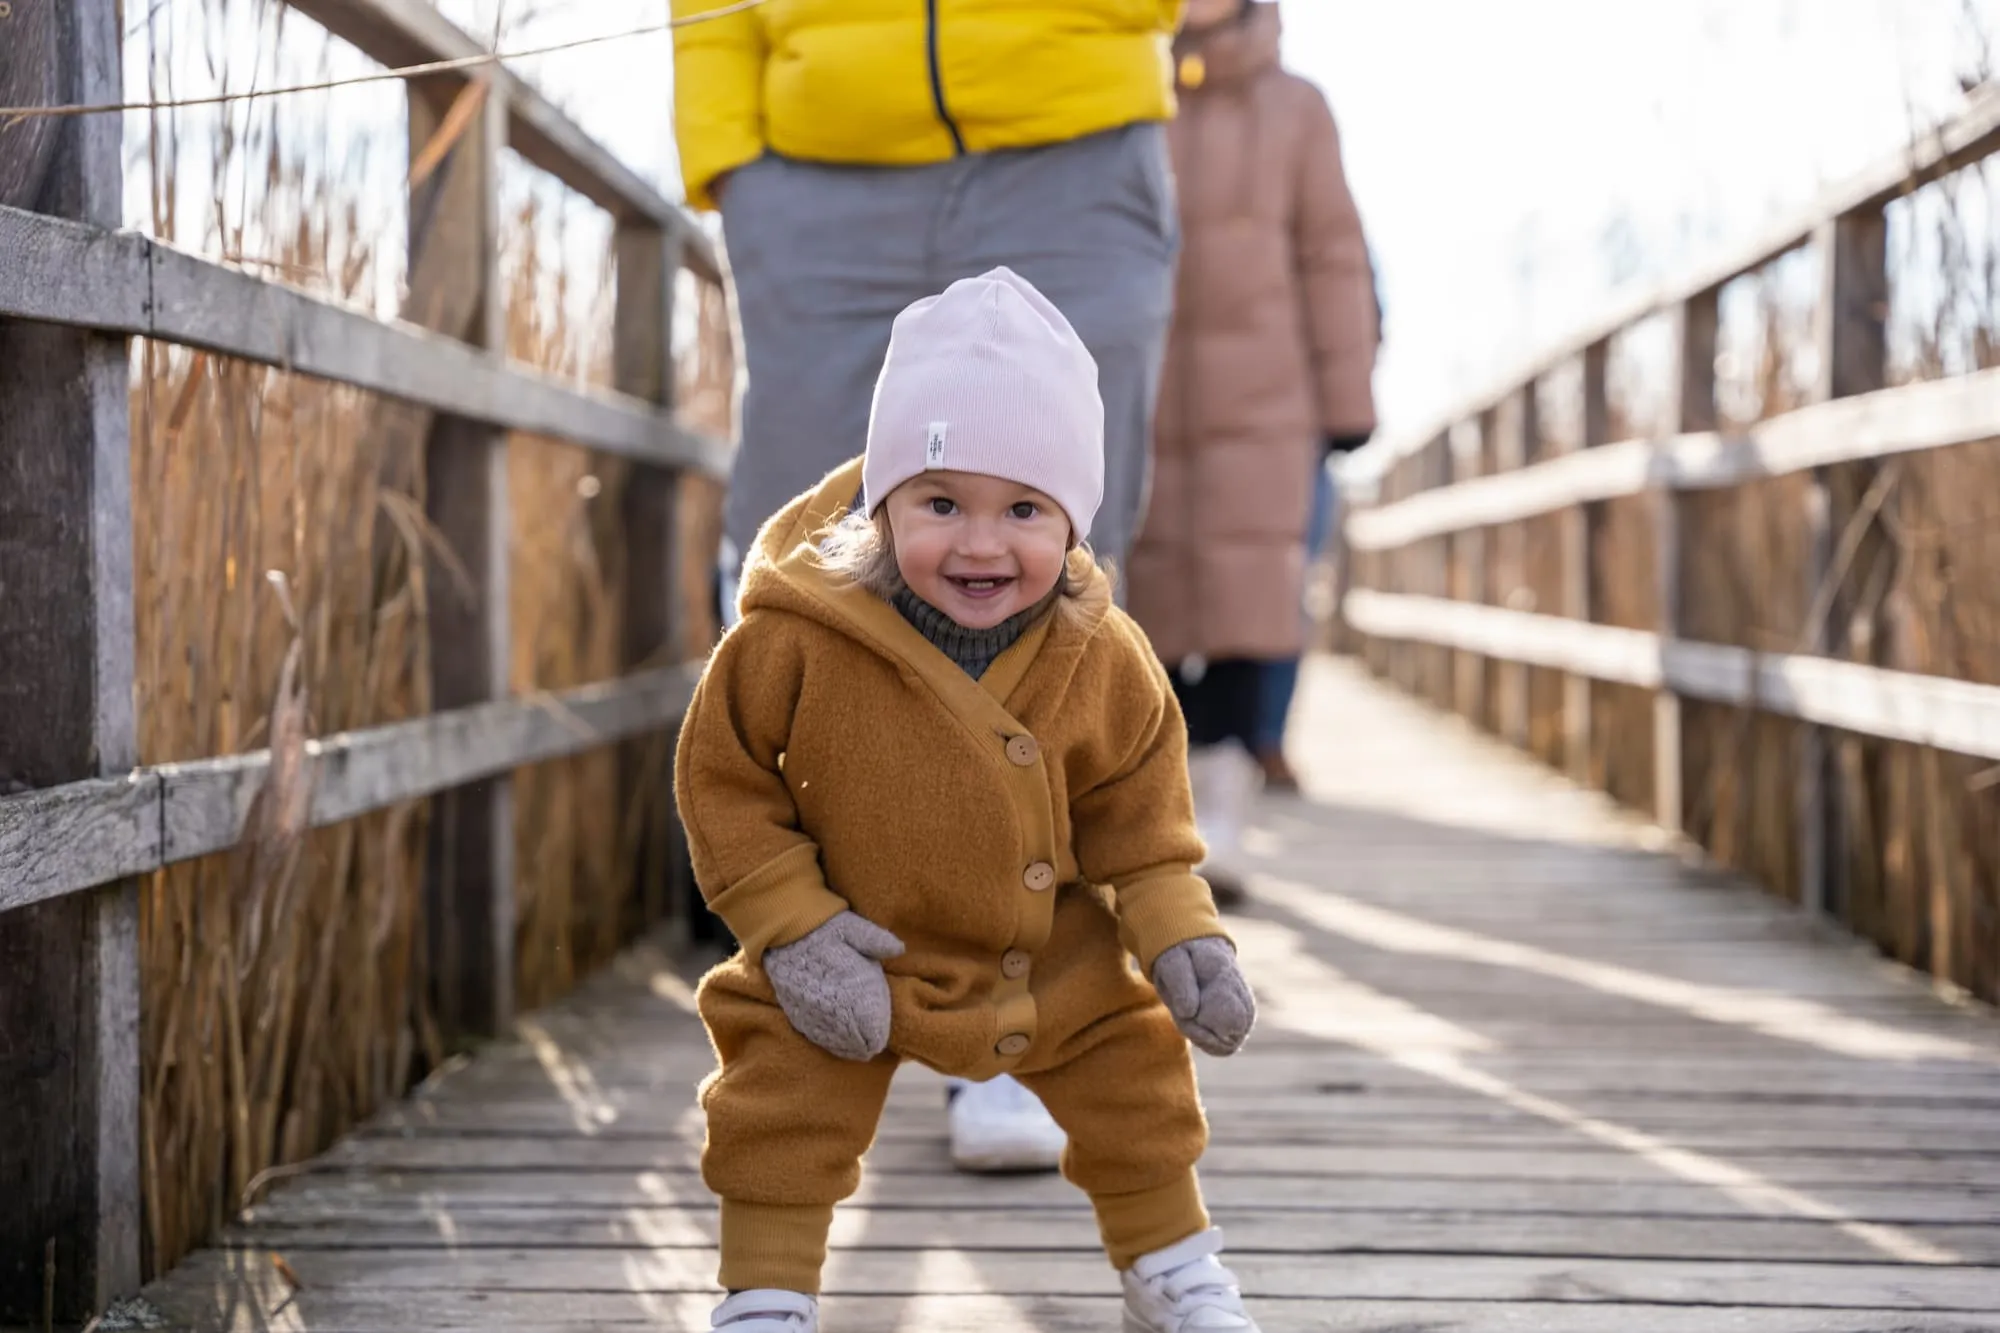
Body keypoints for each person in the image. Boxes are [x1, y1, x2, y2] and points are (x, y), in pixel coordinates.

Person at [676, 269, 1261, 1333]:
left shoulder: (1102, 654)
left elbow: (1143, 816)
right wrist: (794, 929)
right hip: (852, 944)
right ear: (883, 499)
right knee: (779, 1087)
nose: (982, 544)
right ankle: (764, 1292)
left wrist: (1180, 935)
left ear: (1072, 522)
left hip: (1043, 954)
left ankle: (1169, 1266)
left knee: (1134, 1074)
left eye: (1024, 510)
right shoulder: (795, 639)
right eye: (941, 502)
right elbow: (724, 778)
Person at [671, 0, 1185, 1177]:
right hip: (812, 159)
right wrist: (729, 156)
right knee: (795, 561)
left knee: (1058, 559)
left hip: (1073, 129)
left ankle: (1016, 1034)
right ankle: (799, 957)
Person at [1127, 0, 1379, 896]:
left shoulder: (1297, 108)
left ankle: (1225, 809)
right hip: (1144, 395)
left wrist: (1348, 397)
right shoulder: (1121, 84)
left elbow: (1334, 255)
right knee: (1139, 595)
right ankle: (1155, 812)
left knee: (1245, 602)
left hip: (1266, 399)